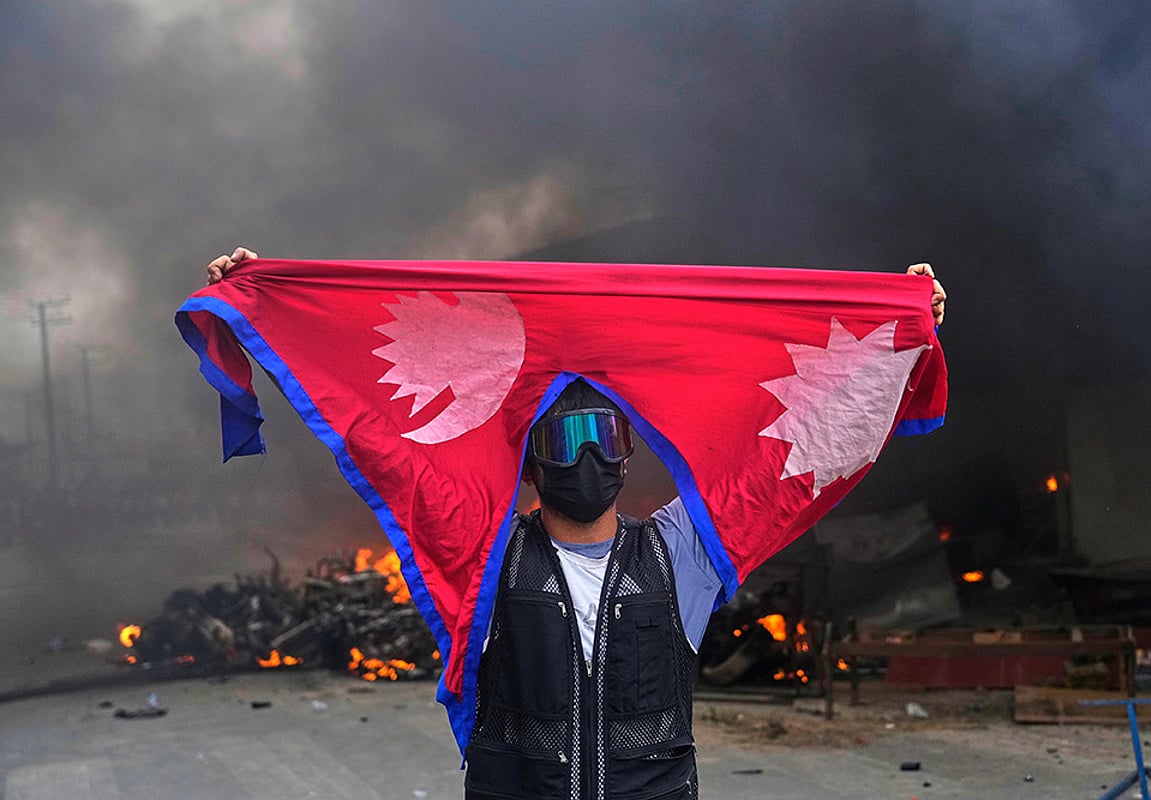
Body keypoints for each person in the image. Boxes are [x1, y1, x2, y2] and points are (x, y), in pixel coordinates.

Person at [206, 247, 946, 799]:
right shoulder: (484, 555)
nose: (588, 456)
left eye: (606, 439)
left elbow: (812, 436)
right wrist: (263, 308)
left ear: (629, 457)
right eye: (565, 442)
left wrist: (898, 332)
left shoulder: (681, 552)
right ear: (529, 464)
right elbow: (373, 435)